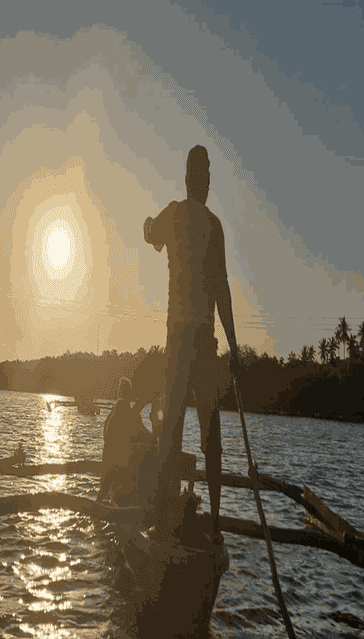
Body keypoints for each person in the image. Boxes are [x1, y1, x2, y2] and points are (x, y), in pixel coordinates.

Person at [143, 145, 241, 536]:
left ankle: (165, 514)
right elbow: (223, 290)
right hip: (203, 339)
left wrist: (147, 222)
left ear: (187, 179)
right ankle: (214, 520)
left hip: (182, 339)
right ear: (206, 182)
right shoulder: (213, 225)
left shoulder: (174, 213)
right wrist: (234, 344)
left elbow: (151, 236)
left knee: (173, 428)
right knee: (209, 427)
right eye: (208, 176)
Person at [98, 376, 156, 504]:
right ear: (130, 394)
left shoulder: (114, 413)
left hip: (108, 467)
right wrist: (156, 433)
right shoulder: (128, 413)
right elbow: (144, 435)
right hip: (121, 468)